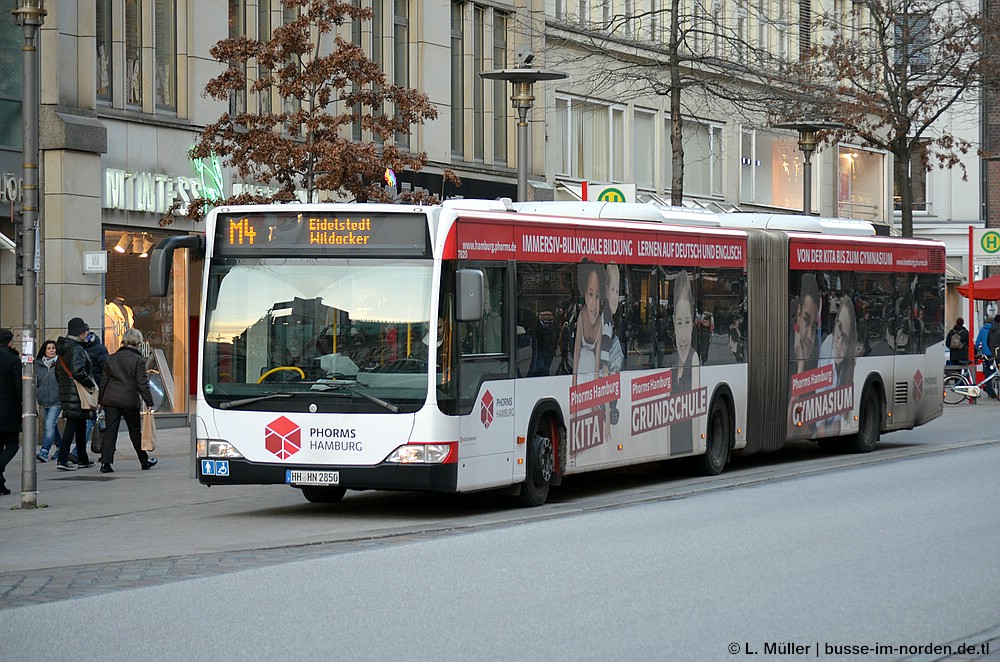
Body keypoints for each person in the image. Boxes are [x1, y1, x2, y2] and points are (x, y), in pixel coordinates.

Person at [98, 328, 157, 473]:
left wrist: (101, 400)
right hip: (129, 401)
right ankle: (144, 461)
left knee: (111, 431)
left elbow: (103, 381)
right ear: (138, 342)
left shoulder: (111, 358)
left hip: (110, 400)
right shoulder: (138, 360)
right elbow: (142, 383)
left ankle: (105, 463)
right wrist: (149, 401)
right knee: (135, 432)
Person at [54, 317, 98, 471]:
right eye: (85, 331)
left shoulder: (64, 349)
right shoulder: (76, 349)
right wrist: (91, 384)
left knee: (80, 425)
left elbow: (58, 373)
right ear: (80, 333)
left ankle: (82, 458)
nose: (87, 334)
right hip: (77, 394)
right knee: (72, 426)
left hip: (68, 392)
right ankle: (62, 458)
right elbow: (79, 371)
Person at [817, 296, 858, 434]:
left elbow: (837, 419)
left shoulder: (850, 366)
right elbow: (819, 417)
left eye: (845, 338)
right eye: (839, 328)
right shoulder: (827, 347)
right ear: (834, 325)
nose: (839, 342)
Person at [670, 271, 700, 455]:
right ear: (673, 323)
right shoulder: (671, 363)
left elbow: (696, 421)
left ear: (694, 323)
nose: (683, 338)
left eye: (687, 323)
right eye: (679, 323)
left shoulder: (694, 360)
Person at [600, 264, 624, 431]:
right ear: (606, 290)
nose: (615, 296)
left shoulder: (610, 320)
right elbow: (605, 365)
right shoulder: (606, 323)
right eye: (613, 290)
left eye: (618, 291)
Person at [572, 260, 603, 386]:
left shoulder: (600, 322)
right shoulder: (581, 317)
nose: (594, 305)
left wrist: (596, 382)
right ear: (584, 295)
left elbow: (598, 358)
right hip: (581, 372)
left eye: (597, 296)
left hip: (591, 376)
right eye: (591, 294)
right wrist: (574, 381)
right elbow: (576, 351)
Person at [0, 328, 22, 496]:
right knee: (12, 444)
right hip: (8, 409)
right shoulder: (12, 360)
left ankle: (0, 485)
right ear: (9, 342)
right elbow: (19, 387)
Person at [35, 339, 64, 462]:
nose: (52, 350)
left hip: (56, 400)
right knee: (52, 426)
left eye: (53, 348)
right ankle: (61, 448)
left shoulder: (60, 363)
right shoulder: (38, 365)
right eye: (49, 348)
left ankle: (44, 451)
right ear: (44, 351)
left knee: (49, 426)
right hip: (43, 400)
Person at [974, 317, 997, 399]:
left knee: (987, 371)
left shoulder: (982, 329)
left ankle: (988, 388)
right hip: (993, 353)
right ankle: (991, 390)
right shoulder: (994, 329)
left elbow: (977, 342)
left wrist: (977, 350)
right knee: (994, 372)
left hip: (985, 354)